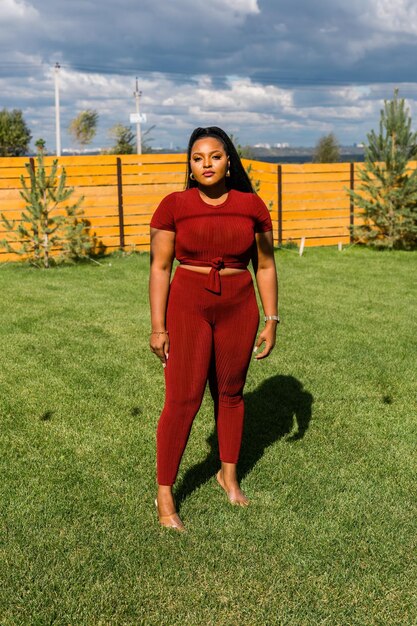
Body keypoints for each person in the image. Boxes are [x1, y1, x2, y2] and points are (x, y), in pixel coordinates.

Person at [149, 126, 279, 532]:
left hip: (239, 307)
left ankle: (228, 474)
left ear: (229, 161)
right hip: (187, 304)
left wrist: (271, 318)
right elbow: (159, 267)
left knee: (231, 393)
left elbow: (268, 265)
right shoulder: (173, 206)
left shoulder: (252, 205)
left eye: (215, 156)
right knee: (183, 399)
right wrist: (158, 326)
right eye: (197, 157)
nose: (205, 163)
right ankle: (166, 493)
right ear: (189, 166)